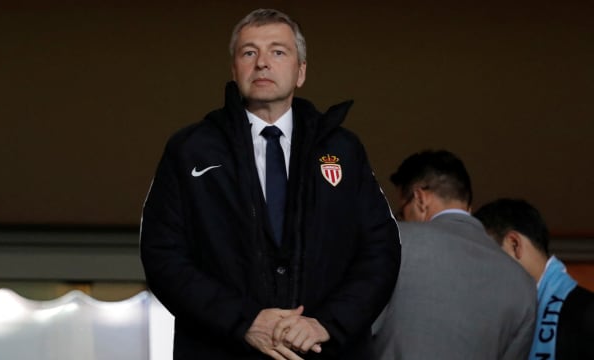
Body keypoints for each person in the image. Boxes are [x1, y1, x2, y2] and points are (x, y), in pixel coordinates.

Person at [140, 8, 401, 360]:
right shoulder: (190, 150)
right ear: (235, 70)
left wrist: (325, 324)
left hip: (327, 350)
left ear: (301, 72)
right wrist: (244, 320)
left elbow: (380, 251)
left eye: (278, 51)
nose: (263, 63)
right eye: (249, 52)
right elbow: (163, 256)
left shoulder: (343, 150)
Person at [372, 149, 537, 360]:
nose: (402, 219)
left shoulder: (397, 241)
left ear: (421, 198)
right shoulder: (522, 282)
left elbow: (354, 327)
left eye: (402, 212)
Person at [474, 198, 594, 360]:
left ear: (514, 244)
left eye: (485, 259)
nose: (482, 275)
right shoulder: (502, 321)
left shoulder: (586, 314)